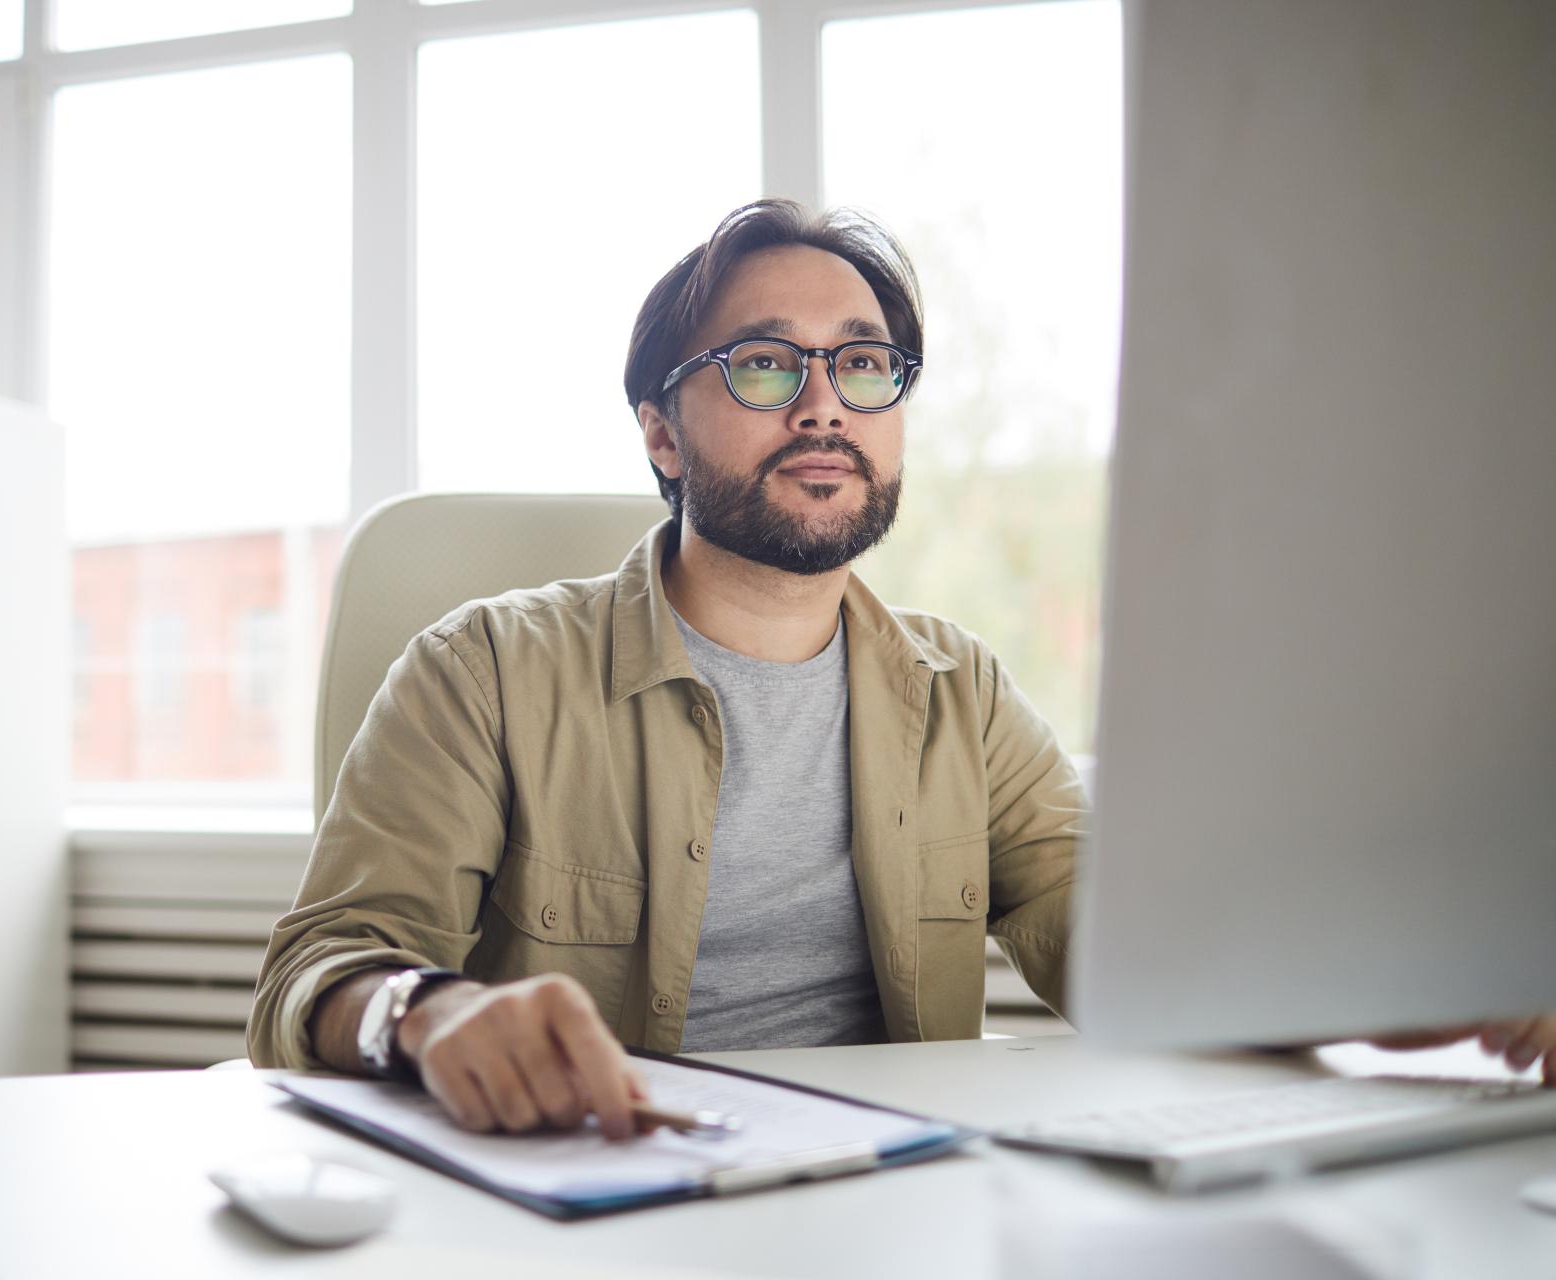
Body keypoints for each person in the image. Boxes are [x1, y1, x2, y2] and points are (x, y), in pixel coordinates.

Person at [247, 199, 1554, 1138]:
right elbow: (325, 965)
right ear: (659, 429)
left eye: (864, 366)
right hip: (595, 1208)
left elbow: (1134, 948)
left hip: (896, 1212)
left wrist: (1405, 986)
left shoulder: (961, 698)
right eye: (765, 363)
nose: (824, 404)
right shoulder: (484, 668)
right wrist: (421, 1015)